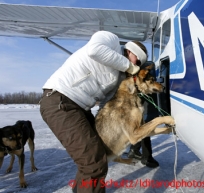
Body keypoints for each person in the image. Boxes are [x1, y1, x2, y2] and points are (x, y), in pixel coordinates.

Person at [39, 31, 148, 193]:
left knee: (96, 156)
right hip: (59, 99)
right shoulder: (111, 39)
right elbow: (94, 50)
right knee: (93, 162)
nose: (137, 64)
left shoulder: (118, 75)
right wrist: (130, 66)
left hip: (80, 108)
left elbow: (107, 102)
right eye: (137, 60)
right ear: (131, 52)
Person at [127, 63, 160, 168]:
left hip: (147, 104)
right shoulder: (143, 70)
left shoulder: (142, 69)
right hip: (144, 105)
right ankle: (147, 158)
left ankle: (134, 150)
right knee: (146, 130)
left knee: (144, 128)